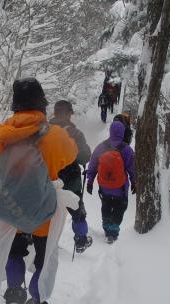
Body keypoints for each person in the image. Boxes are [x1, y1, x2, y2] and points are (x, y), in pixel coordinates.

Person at [0, 77, 78, 304]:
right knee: (43, 260)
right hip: (42, 211)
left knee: (14, 253)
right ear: (42, 104)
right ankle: (37, 297)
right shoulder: (55, 135)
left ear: (16, 106)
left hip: (11, 211)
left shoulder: (1, 135)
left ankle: (14, 291)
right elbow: (72, 154)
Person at [49, 100, 92, 253]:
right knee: (77, 210)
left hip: (50, 177)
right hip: (71, 178)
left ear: (54, 113)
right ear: (69, 114)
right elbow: (85, 156)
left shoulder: (44, 129)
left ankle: (46, 240)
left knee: (48, 211)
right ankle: (81, 240)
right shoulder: (75, 133)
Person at [86, 121, 136, 243]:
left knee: (106, 206)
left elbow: (92, 165)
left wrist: (90, 181)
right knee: (120, 208)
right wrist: (135, 182)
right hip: (120, 188)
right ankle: (113, 232)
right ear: (123, 133)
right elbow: (133, 168)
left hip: (105, 187)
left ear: (110, 132)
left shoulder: (101, 147)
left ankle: (107, 228)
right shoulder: (127, 149)